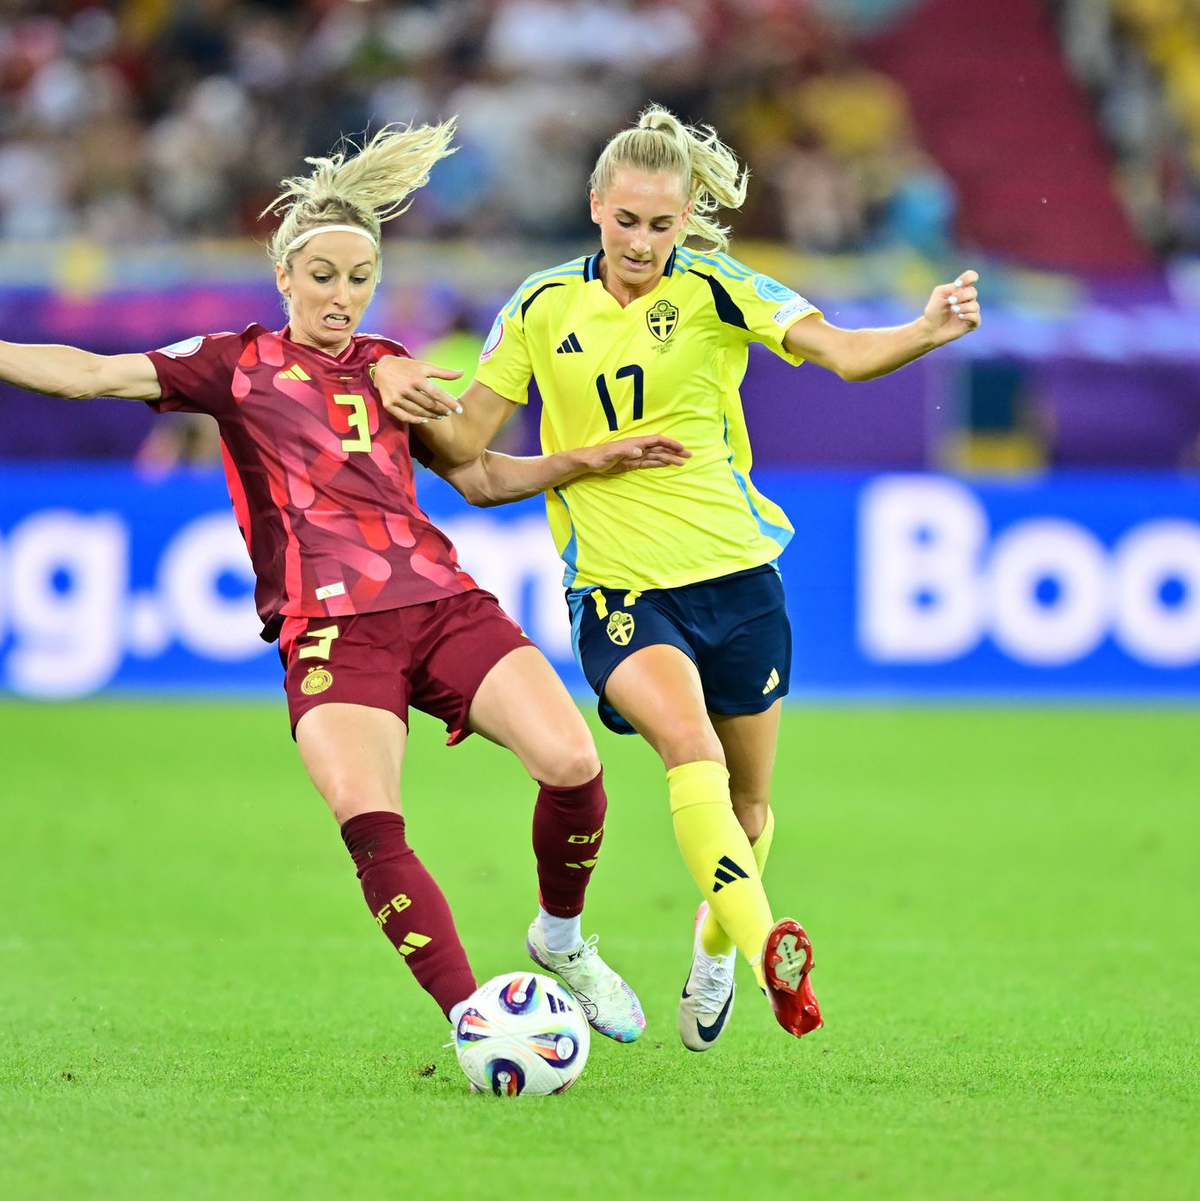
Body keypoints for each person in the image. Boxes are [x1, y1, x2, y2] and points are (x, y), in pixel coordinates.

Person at [0, 119, 692, 1047]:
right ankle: (475, 1017)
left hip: (443, 605)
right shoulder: (233, 364)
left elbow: (481, 479)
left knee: (574, 766)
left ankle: (560, 938)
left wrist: (591, 458)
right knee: (372, 821)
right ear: (284, 276)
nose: (341, 294)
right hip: (330, 629)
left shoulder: (390, 369)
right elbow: (89, 375)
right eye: (321, 276)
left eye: (358, 278)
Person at [373, 105, 982, 1051]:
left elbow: (845, 353)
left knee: (748, 803)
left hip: (740, 582)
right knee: (687, 746)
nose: (643, 243)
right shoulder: (540, 307)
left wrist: (927, 329)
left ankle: (720, 945)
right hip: (620, 592)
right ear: (595, 208)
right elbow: (467, 452)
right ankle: (773, 937)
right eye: (627, 222)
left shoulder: (716, 287)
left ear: (688, 218)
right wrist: (403, 396)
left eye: (663, 225)